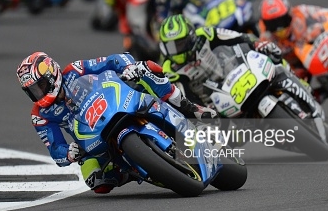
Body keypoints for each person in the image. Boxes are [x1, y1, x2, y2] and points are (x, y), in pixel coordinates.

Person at [16, 51, 217, 194]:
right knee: (96, 182)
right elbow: (56, 150)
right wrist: (69, 153)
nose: (38, 93)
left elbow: (113, 60)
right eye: (32, 90)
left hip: (117, 104)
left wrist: (129, 67)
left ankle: (190, 108)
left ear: (52, 75)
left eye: (40, 85)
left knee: (148, 69)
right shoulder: (40, 115)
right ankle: (129, 170)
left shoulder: (75, 70)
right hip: (91, 140)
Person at [157, 14, 282, 108]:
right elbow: (187, 100)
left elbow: (237, 37)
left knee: (277, 66)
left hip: (236, 76)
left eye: (180, 44)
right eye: (171, 46)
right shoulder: (170, 71)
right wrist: (205, 113)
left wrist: (258, 44)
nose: (176, 51)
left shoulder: (205, 34)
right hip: (217, 106)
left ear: (191, 37)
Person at [258, 0, 328, 102]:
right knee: (294, 95)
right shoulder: (265, 37)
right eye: (272, 24)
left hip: (316, 50)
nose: (279, 27)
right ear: (265, 23)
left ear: (289, 14)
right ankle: (321, 94)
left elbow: (324, 13)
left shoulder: (302, 12)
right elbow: (270, 63)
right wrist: (291, 72)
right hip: (296, 65)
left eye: (281, 20)